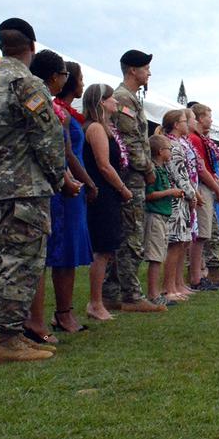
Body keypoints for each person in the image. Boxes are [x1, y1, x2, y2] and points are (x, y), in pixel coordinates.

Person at [0, 18, 65, 362]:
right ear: (32, 46)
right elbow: (47, 140)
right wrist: (57, 177)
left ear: (2, 47)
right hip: (23, 187)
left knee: (1, 260)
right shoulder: (25, 84)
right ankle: (8, 340)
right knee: (22, 263)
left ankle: (11, 333)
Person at [23, 51, 86, 344]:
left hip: (61, 184)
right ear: (55, 76)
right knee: (45, 253)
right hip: (52, 187)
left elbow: (64, 149)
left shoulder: (55, 106)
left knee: (64, 252)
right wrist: (65, 179)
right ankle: (37, 320)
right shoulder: (44, 102)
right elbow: (51, 147)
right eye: (65, 75)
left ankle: (62, 312)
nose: (67, 80)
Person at [104, 50, 165, 313]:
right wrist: (148, 168)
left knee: (127, 234)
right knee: (131, 235)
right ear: (132, 70)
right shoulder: (122, 99)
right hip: (132, 176)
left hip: (133, 176)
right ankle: (131, 295)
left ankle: (113, 292)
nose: (149, 73)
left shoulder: (130, 99)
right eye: (146, 68)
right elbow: (132, 142)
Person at [49, 62, 96, 333]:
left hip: (73, 186)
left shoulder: (69, 114)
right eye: (80, 79)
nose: (81, 84)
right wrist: (87, 182)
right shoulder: (59, 112)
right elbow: (67, 154)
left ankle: (64, 311)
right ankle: (62, 313)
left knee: (68, 250)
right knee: (63, 250)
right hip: (68, 188)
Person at [82, 84, 131, 321]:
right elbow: (103, 165)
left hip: (107, 193)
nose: (116, 104)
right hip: (102, 195)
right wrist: (122, 189)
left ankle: (98, 300)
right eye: (112, 99)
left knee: (107, 248)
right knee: (102, 249)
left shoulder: (104, 128)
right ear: (102, 102)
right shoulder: (96, 129)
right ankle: (95, 302)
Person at [186, 104, 219, 290]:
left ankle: (200, 274)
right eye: (209, 117)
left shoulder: (201, 139)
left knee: (204, 234)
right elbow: (201, 169)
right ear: (200, 119)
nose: (211, 120)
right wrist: (218, 189)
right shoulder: (194, 139)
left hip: (205, 186)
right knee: (200, 234)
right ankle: (196, 276)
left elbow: (208, 167)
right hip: (202, 187)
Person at [160, 110, 197, 301]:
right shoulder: (173, 146)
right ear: (175, 124)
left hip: (181, 198)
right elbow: (179, 175)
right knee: (175, 243)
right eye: (184, 121)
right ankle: (169, 287)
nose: (187, 124)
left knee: (182, 242)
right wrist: (192, 194)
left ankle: (178, 283)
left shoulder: (175, 144)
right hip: (176, 199)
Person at [144, 134, 182, 307]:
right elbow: (149, 195)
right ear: (160, 152)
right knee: (155, 256)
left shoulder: (162, 169)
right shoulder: (152, 170)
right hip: (154, 215)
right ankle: (153, 294)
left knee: (160, 254)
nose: (171, 152)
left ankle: (157, 292)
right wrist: (170, 192)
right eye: (169, 149)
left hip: (162, 215)